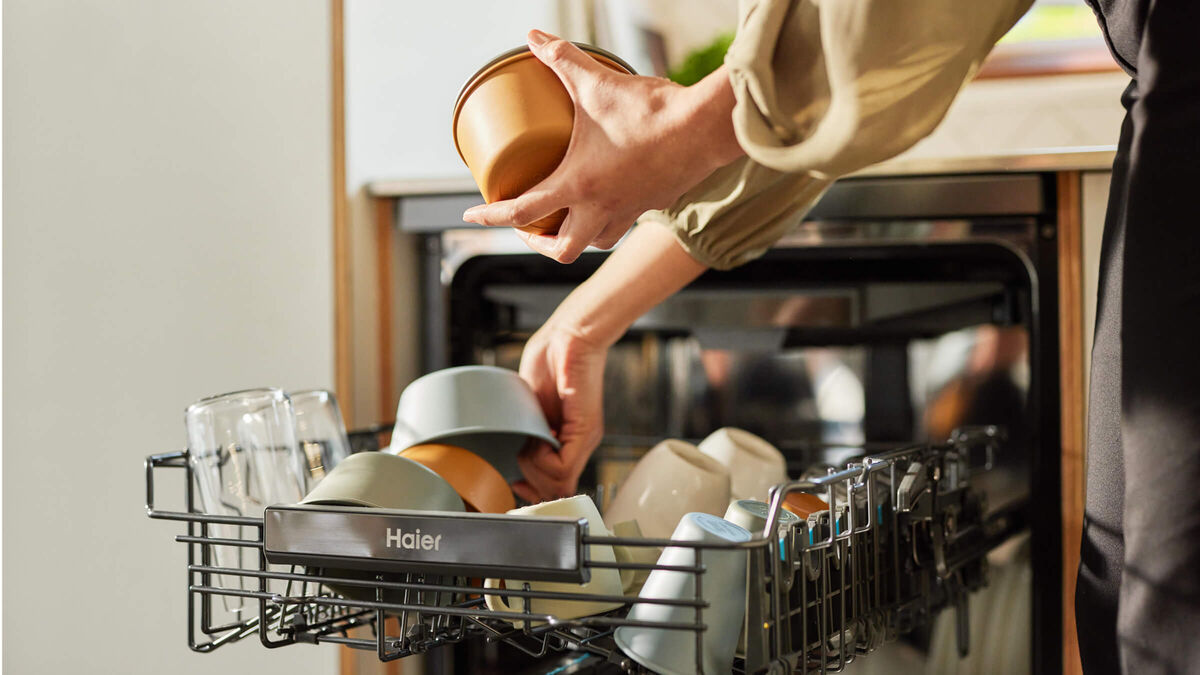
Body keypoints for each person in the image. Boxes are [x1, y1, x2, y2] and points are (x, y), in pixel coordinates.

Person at [461, 0, 1200, 670]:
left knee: (1170, 612)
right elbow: (819, 86)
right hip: (1168, 97)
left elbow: (866, 40)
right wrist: (583, 322)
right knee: (1126, 592)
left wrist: (683, 130)